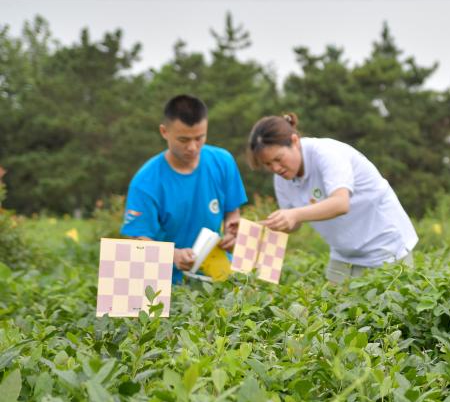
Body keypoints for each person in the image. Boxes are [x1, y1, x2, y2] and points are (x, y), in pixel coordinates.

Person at [247, 113, 417, 283]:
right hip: (344, 253)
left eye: (278, 159)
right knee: (331, 305)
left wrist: (293, 214)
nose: (275, 168)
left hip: (386, 247)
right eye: (268, 164)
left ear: (295, 141)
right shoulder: (282, 178)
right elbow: (293, 224)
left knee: (390, 305)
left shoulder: (326, 153)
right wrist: (259, 229)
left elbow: (340, 204)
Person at [121, 94, 247, 282]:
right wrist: (172, 256)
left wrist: (232, 231)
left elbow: (233, 213)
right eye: (183, 140)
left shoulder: (223, 161)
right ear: (164, 132)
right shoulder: (145, 181)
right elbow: (137, 241)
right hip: (161, 281)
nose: (193, 147)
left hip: (216, 271)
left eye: (199, 138)